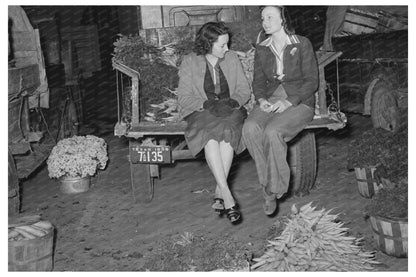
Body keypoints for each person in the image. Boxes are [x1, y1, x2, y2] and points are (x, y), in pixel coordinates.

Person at [242, 6, 318, 216]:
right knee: (249, 128)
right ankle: (268, 183)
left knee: (272, 132)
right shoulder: (262, 48)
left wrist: (290, 101)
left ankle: (272, 190)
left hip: (300, 101)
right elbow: (258, 81)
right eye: (262, 18)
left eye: (270, 17)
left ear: (283, 19)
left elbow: (312, 80)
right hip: (272, 97)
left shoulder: (301, 43)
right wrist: (262, 99)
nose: (264, 22)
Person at [177, 22, 251, 224]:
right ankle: (226, 195)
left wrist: (233, 102)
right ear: (207, 44)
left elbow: (244, 90)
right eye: (222, 45)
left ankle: (221, 191)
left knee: (227, 134)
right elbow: (183, 97)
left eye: (227, 44)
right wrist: (207, 103)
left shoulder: (232, 58)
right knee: (210, 137)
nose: (227, 49)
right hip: (202, 111)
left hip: (230, 109)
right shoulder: (190, 61)